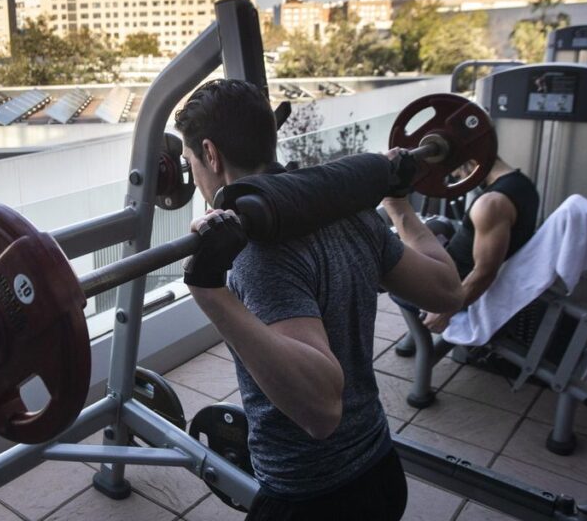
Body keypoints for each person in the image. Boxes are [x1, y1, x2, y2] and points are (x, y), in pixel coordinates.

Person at [176, 79, 464, 521]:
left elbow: (322, 409)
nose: (193, 175)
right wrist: (399, 204)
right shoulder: (347, 209)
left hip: (312, 498)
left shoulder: (259, 253)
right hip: (382, 473)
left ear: (210, 154)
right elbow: (447, 288)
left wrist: (209, 290)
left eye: (190, 161)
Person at [422, 156, 540, 332]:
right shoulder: (524, 185)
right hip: (452, 267)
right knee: (434, 229)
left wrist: (445, 312)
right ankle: (418, 336)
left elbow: (484, 272)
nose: (458, 180)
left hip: (448, 286)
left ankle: (421, 339)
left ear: (469, 160)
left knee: (392, 270)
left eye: (457, 173)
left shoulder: (491, 204)